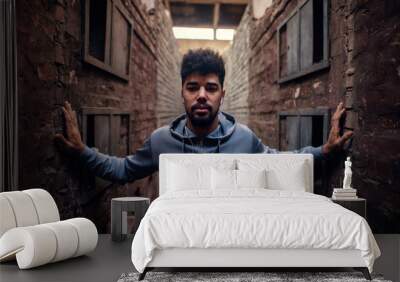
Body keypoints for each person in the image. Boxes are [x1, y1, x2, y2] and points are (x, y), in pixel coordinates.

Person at [55, 49, 353, 184]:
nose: (201, 95)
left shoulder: (243, 138)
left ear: (222, 93)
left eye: (210, 88)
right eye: (192, 87)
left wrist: (325, 152)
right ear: (182, 92)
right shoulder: (161, 141)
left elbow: (281, 161)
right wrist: (82, 153)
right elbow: (122, 170)